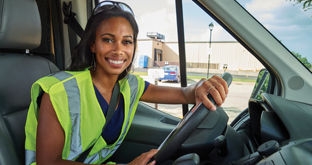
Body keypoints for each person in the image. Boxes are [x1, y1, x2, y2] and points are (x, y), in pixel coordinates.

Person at [25, 1, 228, 165]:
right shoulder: (59, 92)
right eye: (108, 39)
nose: (118, 50)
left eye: (127, 42)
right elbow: (49, 162)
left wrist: (200, 86)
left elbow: (185, 94)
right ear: (93, 45)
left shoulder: (130, 86)